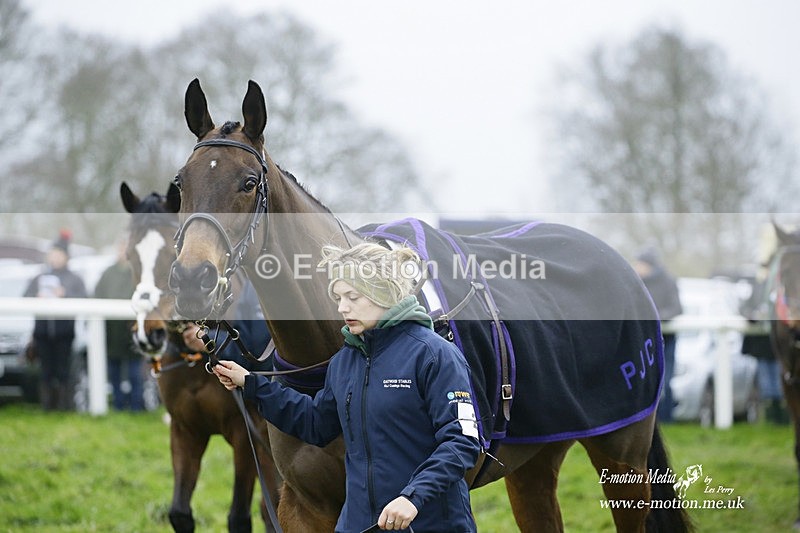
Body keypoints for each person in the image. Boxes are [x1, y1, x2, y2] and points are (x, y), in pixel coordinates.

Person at [211, 243, 481, 532]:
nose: (341, 307)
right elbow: (316, 423)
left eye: (352, 296)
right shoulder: (344, 362)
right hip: (359, 525)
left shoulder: (435, 355)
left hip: (429, 523)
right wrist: (252, 384)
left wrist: (412, 498)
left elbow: (462, 442)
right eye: (338, 297)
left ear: (383, 293)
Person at [23, 229, 88, 411]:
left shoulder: (74, 279)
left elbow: (84, 299)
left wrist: (65, 295)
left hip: (64, 332)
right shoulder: (39, 277)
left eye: (58, 255)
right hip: (42, 332)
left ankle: (64, 407)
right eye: (52, 255)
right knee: (45, 371)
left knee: (63, 371)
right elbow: (25, 296)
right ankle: (47, 407)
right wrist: (37, 296)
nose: (54, 258)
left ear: (66, 257)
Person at [94, 237, 144, 411]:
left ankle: (137, 406)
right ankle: (118, 405)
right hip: (112, 333)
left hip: (132, 331)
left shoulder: (139, 272)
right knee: (113, 372)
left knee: (135, 373)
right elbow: (97, 296)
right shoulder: (108, 273)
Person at [633, 248, 683, 423]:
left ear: (649, 265)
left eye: (640, 264)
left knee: (665, 380)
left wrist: (655, 317)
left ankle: (667, 419)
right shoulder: (636, 282)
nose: (636, 267)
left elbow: (677, 308)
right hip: (644, 339)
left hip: (666, 339)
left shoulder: (668, 281)